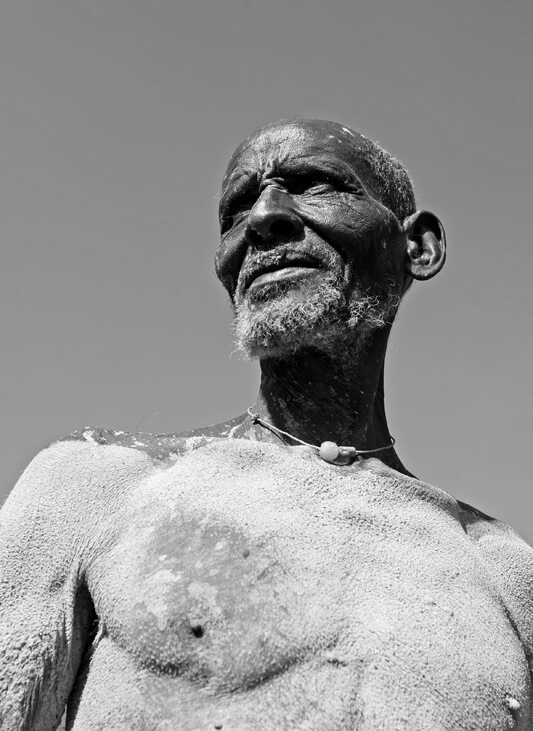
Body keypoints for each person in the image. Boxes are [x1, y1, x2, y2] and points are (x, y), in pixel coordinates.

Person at [1, 118, 532, 731]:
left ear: (418, 247)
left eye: (313, 185)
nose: (263, 219)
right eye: (236, 209)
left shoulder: (503, 569)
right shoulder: (93, 487)